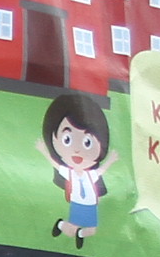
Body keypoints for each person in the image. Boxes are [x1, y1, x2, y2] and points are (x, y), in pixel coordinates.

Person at [42, 91, 112, 246]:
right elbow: (56, 165)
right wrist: (44, 152)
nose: (77, 150)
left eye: (87, 142)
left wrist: (111, 160)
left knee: (91, 230)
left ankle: (78, 233)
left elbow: (101, 172)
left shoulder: (90, 174)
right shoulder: (70, 173)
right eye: (67, 139)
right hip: (78, 204)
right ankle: (61, 225)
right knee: (72, 228)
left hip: (90, 205)